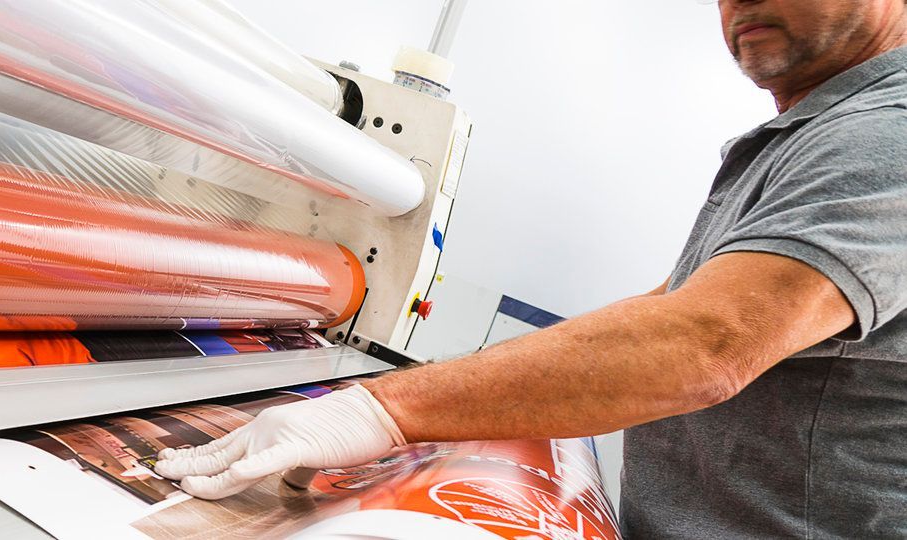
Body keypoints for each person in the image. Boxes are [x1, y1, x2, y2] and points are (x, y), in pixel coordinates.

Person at [154, 0, 907, 536]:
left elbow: (706, 341)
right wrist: (466, 383)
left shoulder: (884, 134)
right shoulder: (812, 134)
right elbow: (674, 303)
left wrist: (376, 410)